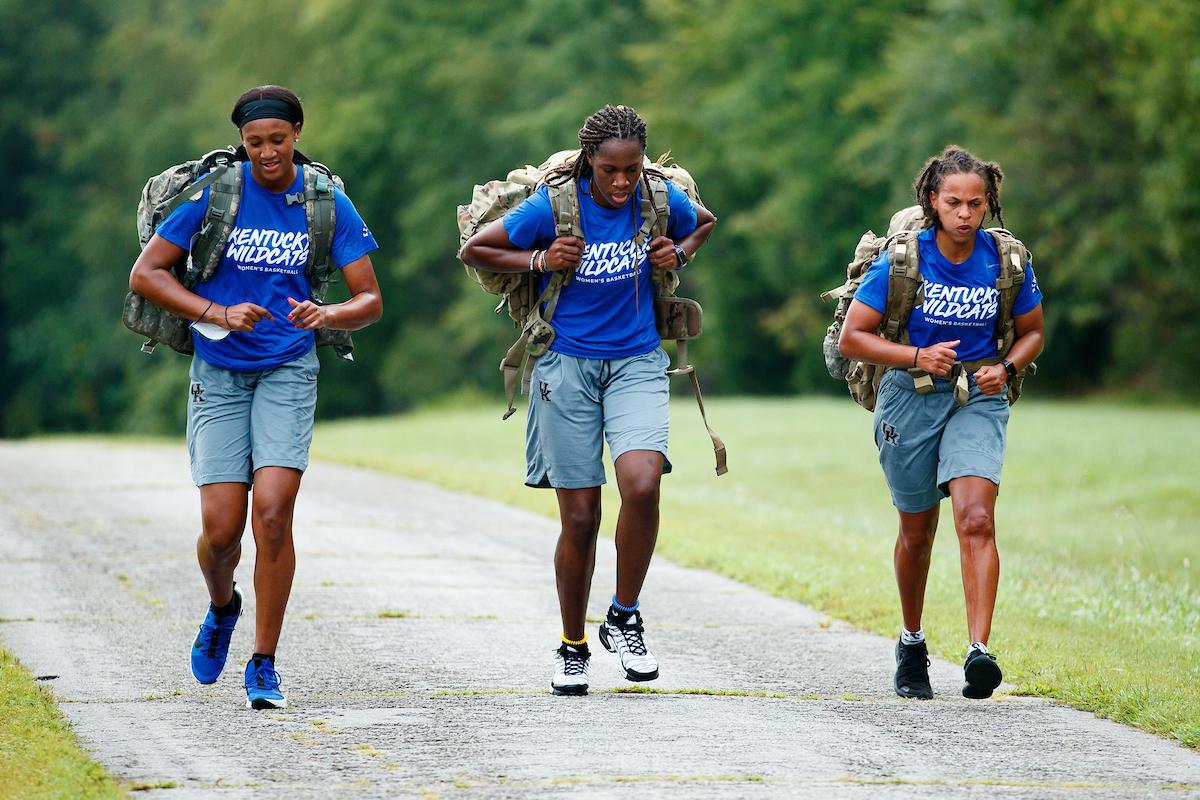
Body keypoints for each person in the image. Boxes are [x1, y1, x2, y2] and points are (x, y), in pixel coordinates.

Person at [129, 85, 383, 709]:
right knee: (221, 532)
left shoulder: (326, 202)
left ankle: (264, 662)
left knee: (273, 512)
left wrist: (327, 315)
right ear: (242, 144)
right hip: (218, 372)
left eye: (278, 139)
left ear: (297, 132)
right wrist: (216, 309)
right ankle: (223, 607)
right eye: (255, 143)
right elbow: (146, 273)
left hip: (287, 370)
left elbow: (370, 300)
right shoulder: (218, 196)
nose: (268, 153)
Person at [460, 105, 716, 695]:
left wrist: (680, 251)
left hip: (637, 361)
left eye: (631, 169)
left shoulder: (655, 197)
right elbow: (476, 250)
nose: (622, 182)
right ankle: (572, 643)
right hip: (564, 364)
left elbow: (702, 221)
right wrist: (538, 259)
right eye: (610, 171)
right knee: (580, 519)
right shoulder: (552, 206)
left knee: (644, 483)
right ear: (588, 162)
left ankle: (624, 615)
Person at [838, 145, 1044, 699]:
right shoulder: (903, 259)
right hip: (910, 394)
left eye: (976, 204)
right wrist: (915, 357)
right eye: (953, 202)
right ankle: (911, 641)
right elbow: (852, 337)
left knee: (976, 519)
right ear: (933, 201)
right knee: (917, 530)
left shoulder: (1005, 260)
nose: (965, 213)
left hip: (978, 394)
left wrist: (1007, 366)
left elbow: (1032, 332)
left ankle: (979, 651)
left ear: (988, 204)